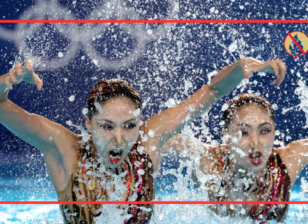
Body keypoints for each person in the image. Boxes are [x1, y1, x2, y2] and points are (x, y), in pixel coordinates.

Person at [0, 57, 285, 223]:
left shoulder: (149, 142)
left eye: (129, 126)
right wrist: (6, 81)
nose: (119, 138)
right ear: (88, 123)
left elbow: (210, 91)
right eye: (107, 126)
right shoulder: (65, 149)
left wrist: (243, 66)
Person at [163, 88, 308, 223]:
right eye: (244, 132)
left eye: (264, 131)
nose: (256, 143)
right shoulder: (208, 162)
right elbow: (153, 137)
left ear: (274, 130)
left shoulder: (287, 161)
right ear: (226, 136)